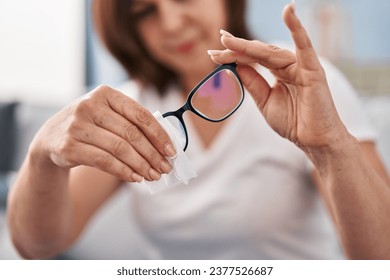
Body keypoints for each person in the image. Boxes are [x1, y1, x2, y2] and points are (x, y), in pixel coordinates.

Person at [7, 0, 390, 259]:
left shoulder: (302, 83)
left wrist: (330, 146)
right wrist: (42, 156)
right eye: (145, 12)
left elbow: (380, 258)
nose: (171, 24)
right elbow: (38, 245)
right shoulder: (128, 108)